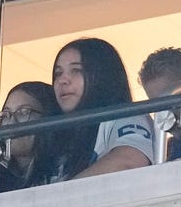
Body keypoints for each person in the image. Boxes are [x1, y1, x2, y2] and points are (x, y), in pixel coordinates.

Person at [42, 38, 154, 182]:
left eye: (76, 70)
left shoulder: (127, 115)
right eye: (58, 73)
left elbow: (128, 161)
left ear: (102, 75)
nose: (62, 80)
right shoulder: (55, 135)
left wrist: (61, 195)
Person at [0, 81, 62, 195]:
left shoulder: (66, 174)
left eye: (24, 112)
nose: (11, 122)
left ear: (48, 118)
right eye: (5, 115)